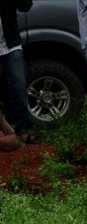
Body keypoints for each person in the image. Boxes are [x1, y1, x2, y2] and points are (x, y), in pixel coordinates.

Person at [0, 0, 35, 144]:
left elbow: (25, 6)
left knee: (19, 86)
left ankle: (20, 130)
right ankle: (5, 133)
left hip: (10, 44)